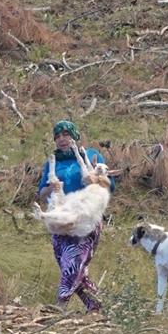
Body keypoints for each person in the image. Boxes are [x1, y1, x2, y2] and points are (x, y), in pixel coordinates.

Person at [37, 119, 112, 311]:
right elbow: (41, 193)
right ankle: (97, 307)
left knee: (74, 262)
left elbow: (107, 184)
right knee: (72, 268)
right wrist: (49, 188)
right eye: (58, 136)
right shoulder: (52, 163)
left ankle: (60, 306)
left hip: (84, 220)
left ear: (75, 136)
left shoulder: (92, 155)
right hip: (60, 220)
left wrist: (95, 177)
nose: (62, 140)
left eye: (66, 135)